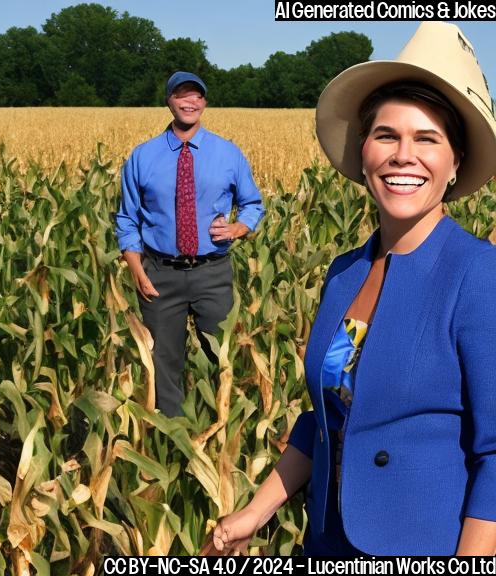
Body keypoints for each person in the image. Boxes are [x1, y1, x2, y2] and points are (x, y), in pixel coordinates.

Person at [203, 21, 496, 556]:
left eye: (427, 139)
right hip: (328, 541)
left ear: (454, 163)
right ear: (364, 153)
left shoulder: (478, 274)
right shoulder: (345, 272)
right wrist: (254, 513)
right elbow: (327, 416)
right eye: (387, 135)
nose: (403, 155)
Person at [116, 71, 264, 418]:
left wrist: (239, 228)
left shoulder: (227, 153)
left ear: (204, 103)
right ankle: (173, 442)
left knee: (221, 355)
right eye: (182, 95)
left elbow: (253, 203)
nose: (190, 102)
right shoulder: (142, 157)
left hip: (212, 272)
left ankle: (223, 427)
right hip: (159, 272)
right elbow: (127, 219)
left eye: (197, 96)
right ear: (168, 101)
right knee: (163, 360)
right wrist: (137, 271)